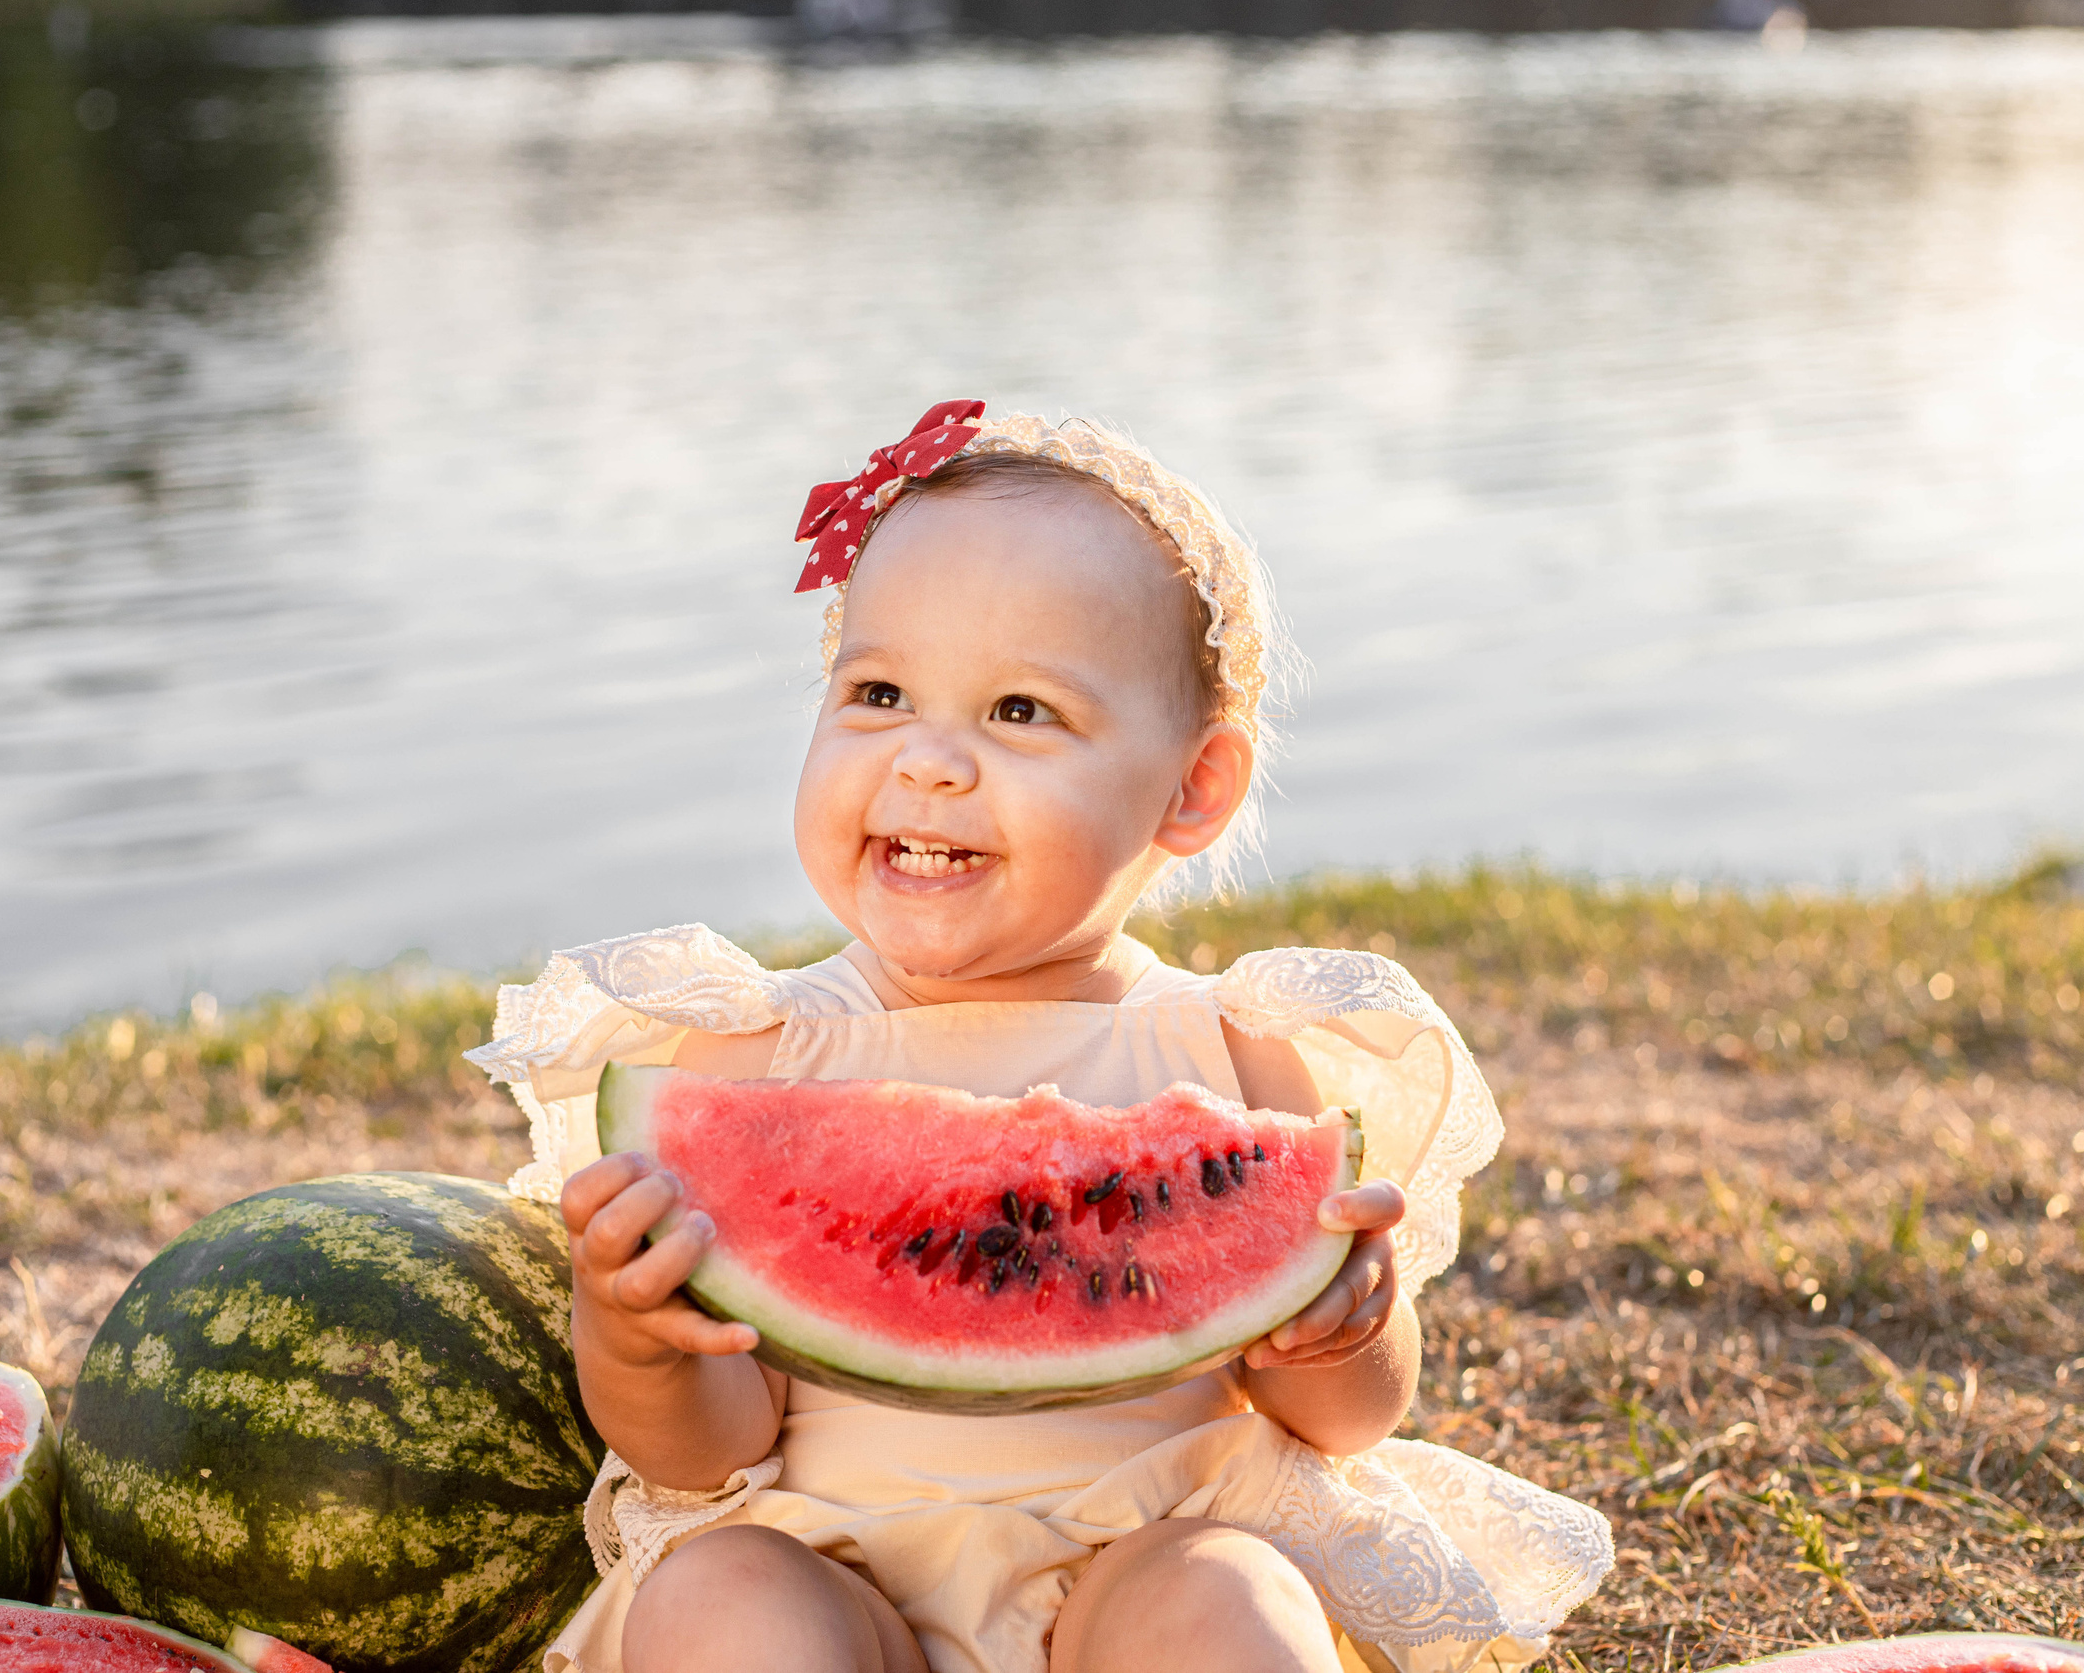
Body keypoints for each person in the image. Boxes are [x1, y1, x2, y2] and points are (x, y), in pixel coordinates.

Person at [466, 402, 1614, 1673]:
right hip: (839, 1580)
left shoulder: (1230, 1055)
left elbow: (1342, 1418)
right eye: (879, 692)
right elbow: (712, 1446)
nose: (930, 761)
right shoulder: (753, 1057)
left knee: (1227, 1594)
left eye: (1019, 711)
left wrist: (1342, 1330)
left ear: (1194, 788)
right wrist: (631, 1341)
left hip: (1140, 1565)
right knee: (721, 1593)